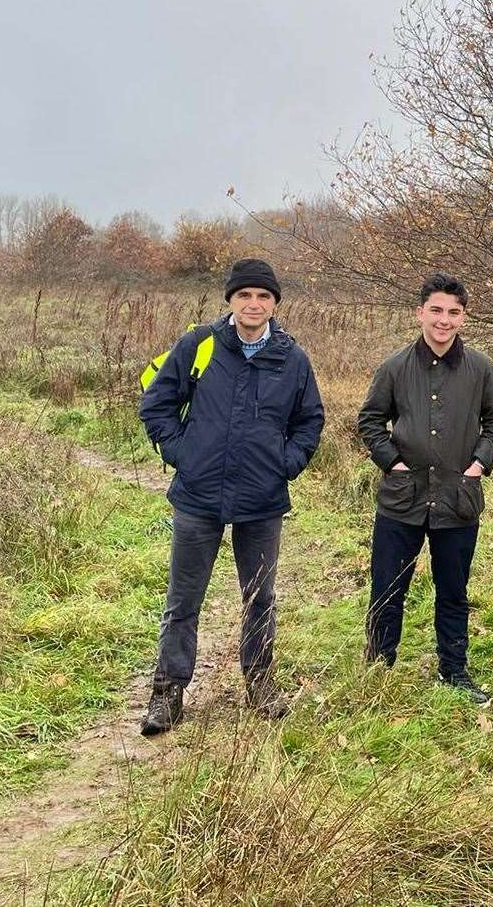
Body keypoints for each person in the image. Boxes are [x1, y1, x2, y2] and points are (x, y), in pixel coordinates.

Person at [138, 257, 324, 732]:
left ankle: (260, 684)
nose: (254, 304)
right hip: (198, 495)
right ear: (230, 300)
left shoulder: (292, 359)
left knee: (260, 596)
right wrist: (182, 453)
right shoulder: (199, 345)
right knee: (183, 599)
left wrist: (287, 464)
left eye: (263, 296)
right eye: (245, 295)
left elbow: (309, 422)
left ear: (275, 303)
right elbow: (156, 402)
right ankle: (168, 693)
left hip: (262, 500)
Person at [358, 272, 493, 704]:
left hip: (457, 500)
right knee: (388, 587)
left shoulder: (481, 369)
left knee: (453, 590)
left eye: (454, 313)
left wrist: (478, 465)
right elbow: (370, 420)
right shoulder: (394, 367)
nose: (444, 321)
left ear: (464, 317)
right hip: (401, 501)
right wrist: (395, 463)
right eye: (436, 311)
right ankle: (378, 670)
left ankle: (454, 671)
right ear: (420, 312)